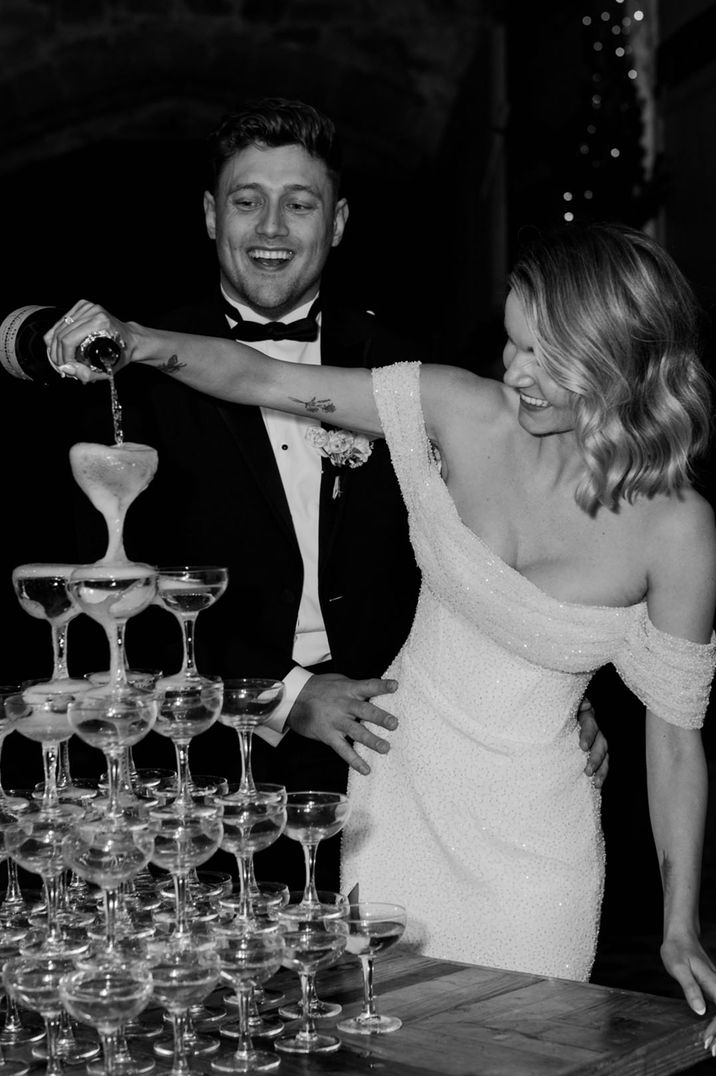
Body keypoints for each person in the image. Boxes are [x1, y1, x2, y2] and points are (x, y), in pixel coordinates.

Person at [48, 221, 716, 1012]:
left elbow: (674, 741)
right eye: (513, 343)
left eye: (546, 356)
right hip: (397, 795)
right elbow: (260, 378)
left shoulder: (676, 529)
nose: (516, 371)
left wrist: (681, 925)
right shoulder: (462, 408)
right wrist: (138, 341)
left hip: (539, 843)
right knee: (390, 1037)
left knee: (527, 1047)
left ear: (618, 359)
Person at [49, 98, 607, 889]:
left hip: (403, 749)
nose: (271, 227)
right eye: (247, 201)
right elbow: (118, 590)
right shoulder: (133, 375)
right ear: (212, 216)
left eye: (299, 203)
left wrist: (545, 688)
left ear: (337, 221)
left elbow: (493, 546)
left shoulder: (402, 363)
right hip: (207, 761)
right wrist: (288, 696)